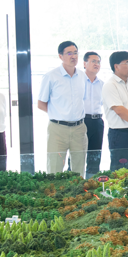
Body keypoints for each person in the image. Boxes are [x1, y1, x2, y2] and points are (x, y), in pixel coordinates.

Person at [38, 41, 87, 176]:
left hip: (79, 128)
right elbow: (41, 103)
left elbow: (82, 100)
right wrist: (59, 113)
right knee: (54, 168)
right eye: (69, 53)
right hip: (58, 129)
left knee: (79, 168)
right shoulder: (51, 76)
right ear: (60, 56)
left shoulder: (82, 76)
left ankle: (78, 190)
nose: (73, 56)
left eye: (75, 53)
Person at [82, 52, 104, 178]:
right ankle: (76, 182)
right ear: (85, 64)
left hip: (97, 122)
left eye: (98, 62)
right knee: (78, 155)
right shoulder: (78, 81)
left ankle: (92, 182)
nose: (97, 64)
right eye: (93, 61)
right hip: (82, 121)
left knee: (95, 156)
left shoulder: (102, 84)